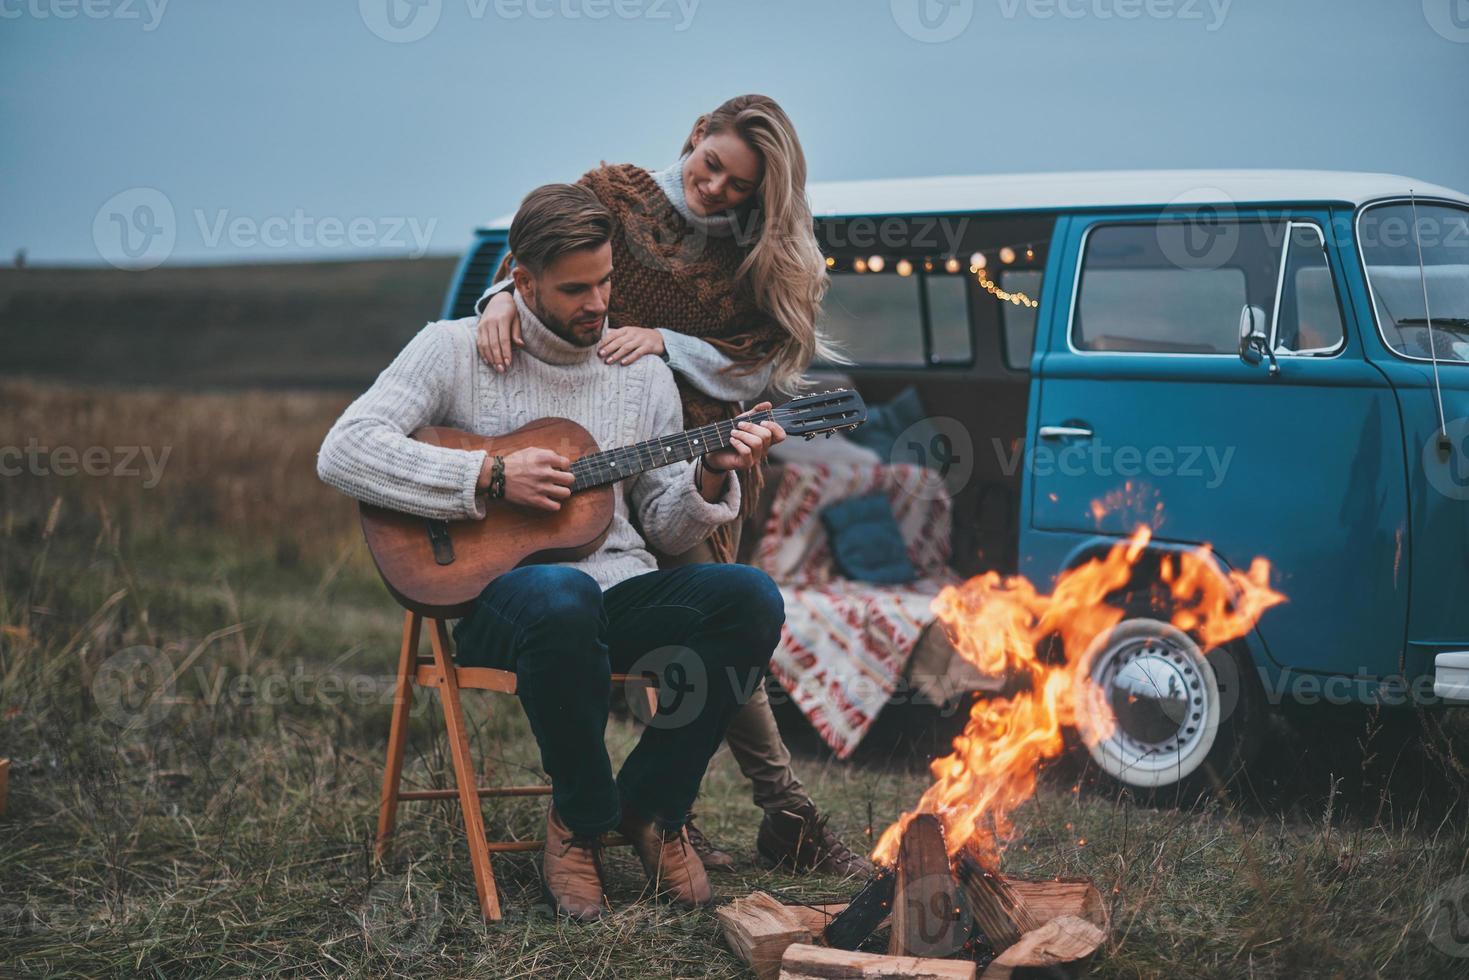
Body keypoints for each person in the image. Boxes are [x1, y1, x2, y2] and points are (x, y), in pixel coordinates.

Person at [318, 183, 788, 921]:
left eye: (605, 281)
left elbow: (663, 527)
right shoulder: (451, 351)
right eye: (575, 289)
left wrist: (708, 473)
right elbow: (343, 450)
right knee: (561, 597)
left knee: (749, 596)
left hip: (616, 595)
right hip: (505, 602)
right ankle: (581, 817)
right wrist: (486, 474)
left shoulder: (640, 374)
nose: (598, 304)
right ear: (521, 281)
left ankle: (652, 807)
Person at [473, 94, 871, 878]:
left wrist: (668, 343)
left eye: (739, 186)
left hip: (693, 456)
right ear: (695, 135)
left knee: (711, 622)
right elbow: (534, 262)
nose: (716, 188)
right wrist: (491, 302)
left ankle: (758, 813)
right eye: (711, 164)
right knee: (662, 628)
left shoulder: (762, 255)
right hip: (578, 440)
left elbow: (763, 365)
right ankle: (680, 816)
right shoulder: (613, 196)